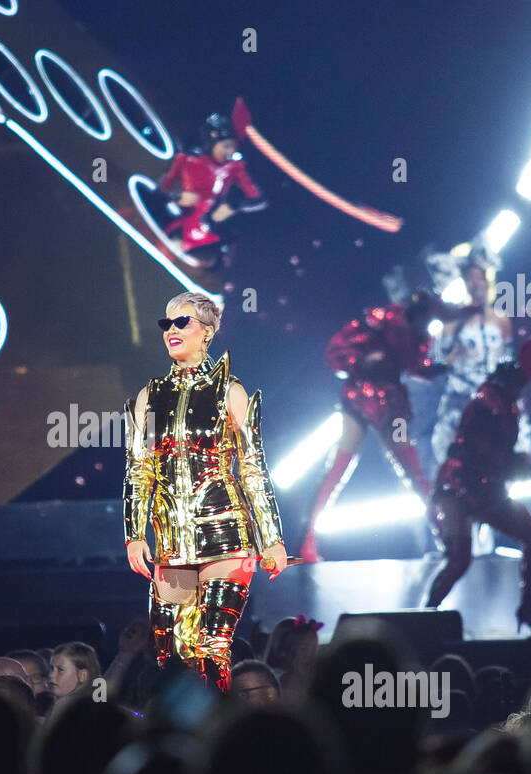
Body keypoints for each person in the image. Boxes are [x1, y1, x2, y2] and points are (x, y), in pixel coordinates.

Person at [123, 291, 287, 693]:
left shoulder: (229, 391)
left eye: (183, 323)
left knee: (211, 647)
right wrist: (134, 534)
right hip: (172, 540)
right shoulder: (150, 397)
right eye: (167, 324)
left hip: (226, 534)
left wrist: (272, 538)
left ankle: (221, 742)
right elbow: (138, 471)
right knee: (170, 652)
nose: (172, 331)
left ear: (207, 333)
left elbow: (252, 467)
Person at [299, 291, 448, 563]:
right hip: (361, 396)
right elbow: (338, 351)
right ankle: (307, 540)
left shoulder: (420, 335)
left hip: (391, 402)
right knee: (338, 468)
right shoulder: (382, 320)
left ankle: (445, 535)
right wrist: (363, 361)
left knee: (413, 470)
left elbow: (417, 365)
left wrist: (439, 367)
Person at [425, 339, 531, 633]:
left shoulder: (505, 405)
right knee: (459, 560)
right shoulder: (489, 404)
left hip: (485, 489)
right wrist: (525, 471)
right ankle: (422, 617)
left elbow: (501, 456)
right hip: (460, 488)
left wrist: (529, 472)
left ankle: (528, 609)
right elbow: (486, 453)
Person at [430, 257, 531, 556]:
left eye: (481, 279)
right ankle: (460, 545)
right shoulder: (450, 322)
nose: (476, 284)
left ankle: (487, 545)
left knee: (491, 472)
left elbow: (509, 364)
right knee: (461, 476)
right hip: (460, 408)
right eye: (470, 279)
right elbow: (434, 363)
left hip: (493, 410)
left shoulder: (501, 319)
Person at [158, 112, 266, 269]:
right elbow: (163, 187)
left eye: (232, 146)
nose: (229, 151)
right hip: (181, 218)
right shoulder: (187, 158)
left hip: (208, 225)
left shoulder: (235, 167)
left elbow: (258, 199)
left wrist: (232, 207)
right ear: (211, 142)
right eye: (225, 146)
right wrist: (177, 195)